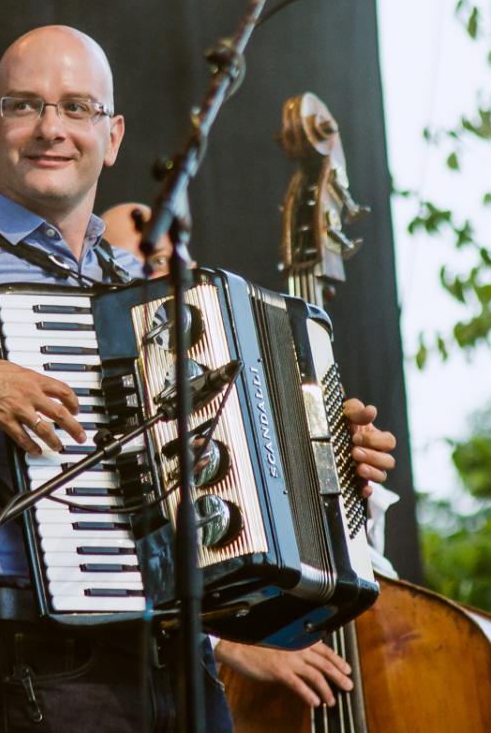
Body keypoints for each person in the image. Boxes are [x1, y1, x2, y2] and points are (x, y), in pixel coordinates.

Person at [0, 25, 395, 730]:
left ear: (112, 136)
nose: (50, 128)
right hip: (48, 666)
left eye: (76, 107)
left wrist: (327, 459)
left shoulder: (145, 289)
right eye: (24, 105)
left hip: (186, 665)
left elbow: (221, 478)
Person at [99, 201, 398, 709]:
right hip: (130, 682)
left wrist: (346, 473)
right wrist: (231, 640)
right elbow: (116, 561)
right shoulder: (104, 392)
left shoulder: (239, 356)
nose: (165, 278)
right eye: (139, 266)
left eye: (172, 260)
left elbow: (355, 554)